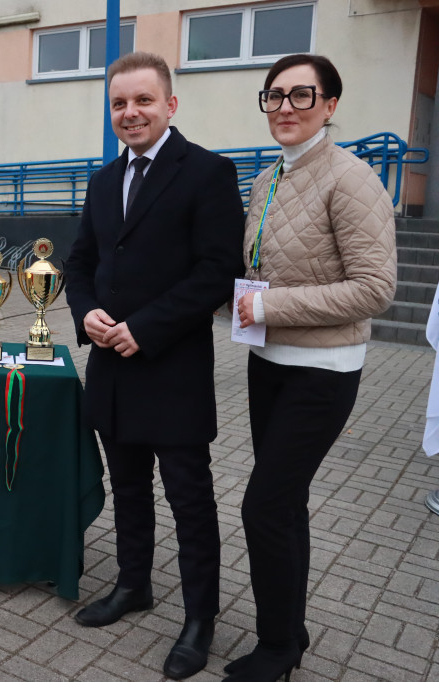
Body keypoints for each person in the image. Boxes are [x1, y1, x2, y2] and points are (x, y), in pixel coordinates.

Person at [65, 52, 244, 680]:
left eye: (143, 100)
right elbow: (81, 261)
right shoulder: (102, 178)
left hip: (171, 369)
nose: (130, 112)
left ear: (170, 105)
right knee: (129, 490)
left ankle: (200, 621)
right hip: (111, 367)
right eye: (119, 103)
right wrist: (85, 312)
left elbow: (217, 271)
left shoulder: (208, 173)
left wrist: (146, 328)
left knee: (190, 501)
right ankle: (133, 585)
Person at [229, 54, 396, 681]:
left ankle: (277, 647)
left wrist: (268, 304)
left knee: (263, 506)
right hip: (268, 361)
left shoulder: (351, 179)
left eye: (303, 95)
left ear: (330, 105)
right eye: (275, 96)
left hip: (323, 370)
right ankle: (289, 624)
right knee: (285, 501)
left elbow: (375, 288)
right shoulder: (269, 176)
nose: (286, 108)